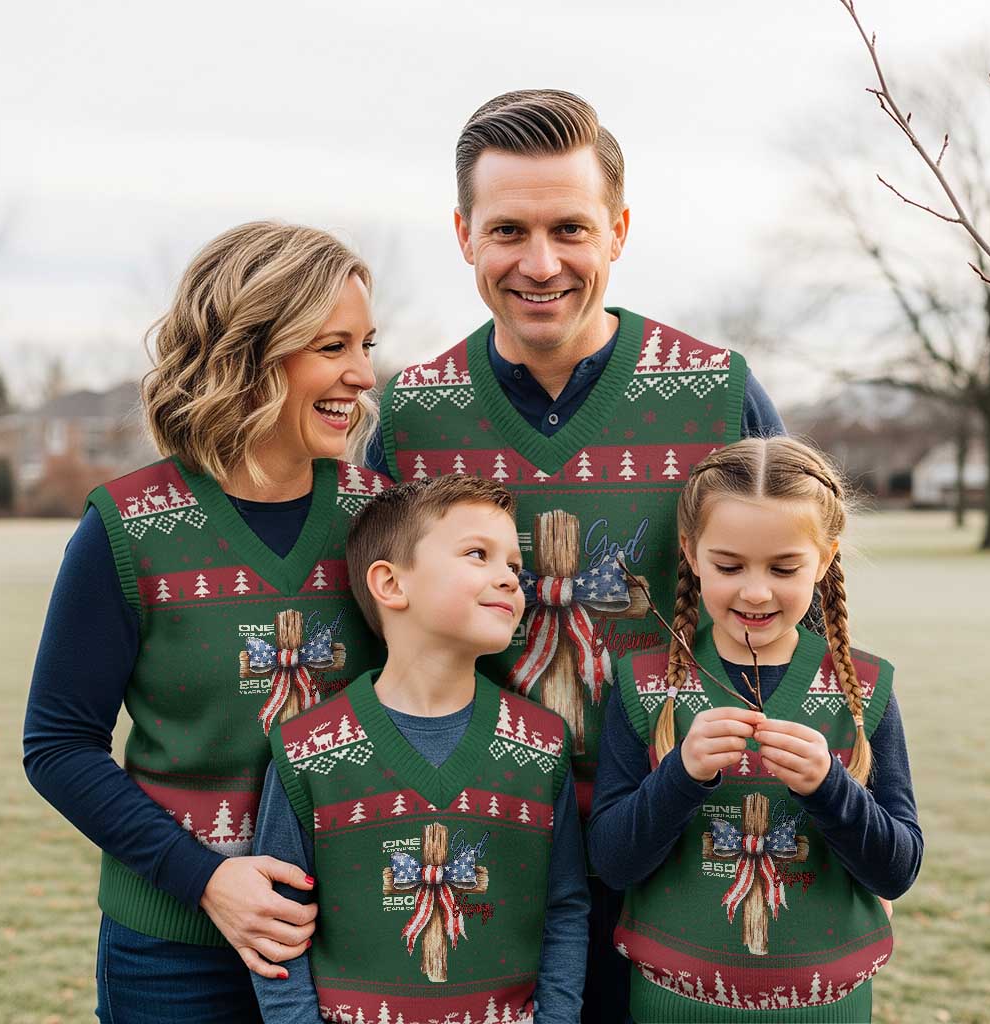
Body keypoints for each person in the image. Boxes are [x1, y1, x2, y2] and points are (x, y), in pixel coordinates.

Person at [367, 88, 786, 1022]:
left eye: (571, 227)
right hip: (488, 834)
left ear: (620, 230)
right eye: (508, 229)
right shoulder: (411, 416)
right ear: (464, 234)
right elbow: (375, 635)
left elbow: (799, 608)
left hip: (686, 823)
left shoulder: (716, 395)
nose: (540, 262)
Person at [23, 221, 392, 1023]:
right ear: (253, 354)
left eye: (367, 343)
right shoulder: (125, 528)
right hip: (169, 952)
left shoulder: (381, 523)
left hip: (352, 939)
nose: (364, 375)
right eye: (334, 347)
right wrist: (207, 879)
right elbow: (56, 745)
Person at [587, 437, 923, 1023]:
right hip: (672, 1006)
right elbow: (613, 863)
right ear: (690, 553)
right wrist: (681, 777)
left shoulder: (863, 691)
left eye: (784, 567)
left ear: (824, 560)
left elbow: (896, 870)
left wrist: (830, 786)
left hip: (828, 1008)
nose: (756, 590)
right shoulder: (644, 686)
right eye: (729, 565)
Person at [250, 474, 589, 1024]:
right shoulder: (305, 750)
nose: (509, 579)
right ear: (390, 585)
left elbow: (564, 908)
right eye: (478, 554)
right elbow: (279, 928)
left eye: (515, 567)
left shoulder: (543, 744)